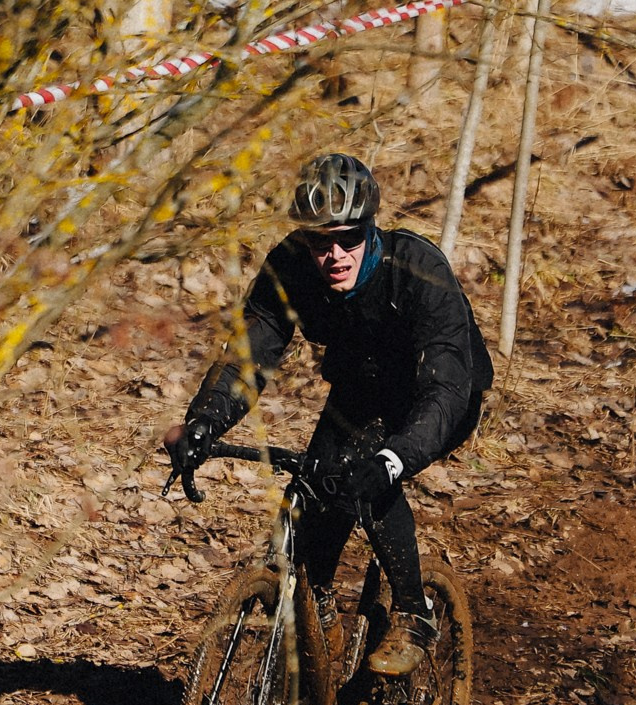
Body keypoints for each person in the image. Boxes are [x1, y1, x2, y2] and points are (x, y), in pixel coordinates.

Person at [164, 152, 492, 676]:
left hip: (437, 395)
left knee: (367, 475)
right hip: (359, 386)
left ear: (371, 230)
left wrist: (394, 458)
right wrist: (205, 420)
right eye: (320, 242)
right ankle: (317, 624)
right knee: (308, 507)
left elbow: (447, 388)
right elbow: (247, 356)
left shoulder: (417, 270)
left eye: (349, 239)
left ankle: (413, 612)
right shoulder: (290, 268)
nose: (335, 255)